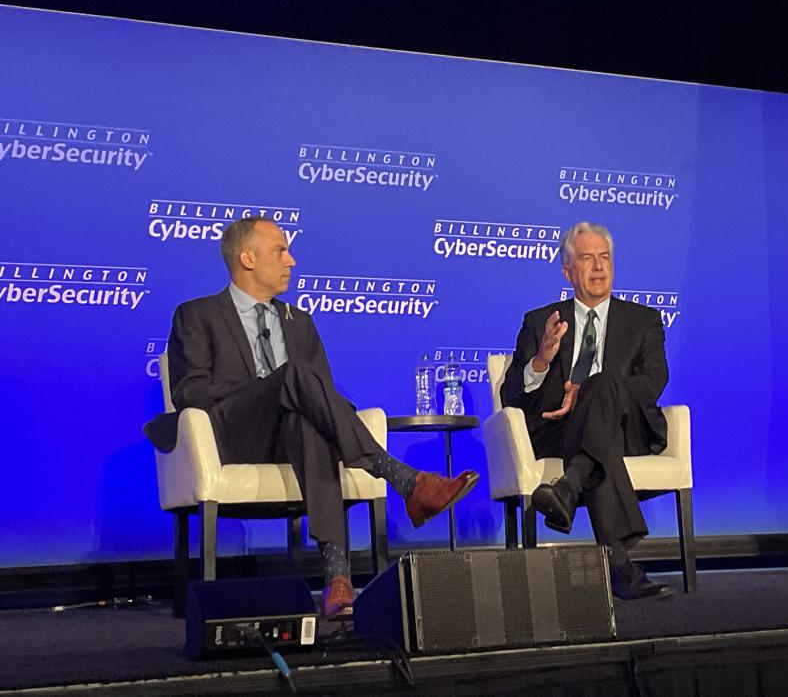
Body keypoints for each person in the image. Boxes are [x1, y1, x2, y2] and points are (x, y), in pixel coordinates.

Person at [144, 217, 478, 619]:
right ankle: (404, 479)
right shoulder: (196, 314)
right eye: (280, 251)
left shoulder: (299, 321)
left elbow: (323, 398)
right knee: (295, 376)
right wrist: (265, 390)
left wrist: (288, 392)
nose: (292, 260)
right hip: (230, 435)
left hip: (289, 438)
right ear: (247, 258)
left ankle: (338, 582)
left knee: (308, 422)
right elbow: (189, 391)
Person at [500, 221, 675, 600]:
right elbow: (510, 395)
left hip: (626, 428)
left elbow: (653, 382)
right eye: (586, 258)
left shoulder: (643, 320)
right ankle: (618, 565)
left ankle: (569, 485)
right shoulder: (540, 322)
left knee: (603, 384)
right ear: (567, 271)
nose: (598, 267)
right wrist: (542, 360)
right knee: (598, 443)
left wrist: (595, 394)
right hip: (558, 433)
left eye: (605, 257)